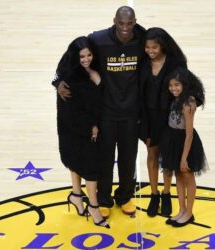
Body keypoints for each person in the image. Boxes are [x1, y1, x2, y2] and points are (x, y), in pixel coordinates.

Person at [87, 6, 145, 218]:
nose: (125, 29)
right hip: (106, 112)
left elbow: (167, 54)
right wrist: (59, 80)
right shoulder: (98, 39)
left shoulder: (144, 38)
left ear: (135, 22)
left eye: (129, 24)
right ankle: (104, 199)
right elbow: (78, 54)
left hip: (131, 112)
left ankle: (125, 197)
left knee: (128, 158)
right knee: (104, 158)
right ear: (114, 21)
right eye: (121, 23)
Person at [52, 36, 109, 228]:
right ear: (74, 57)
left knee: (78, 163)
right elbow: (71, 110)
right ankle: (94, 206)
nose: (86, 59)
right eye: (81, 56)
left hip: (92, 124)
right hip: (77, 128)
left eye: (89, 55)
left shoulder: (95, 68)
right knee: (90, 169)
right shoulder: (68, 79)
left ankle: (77, 195)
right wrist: (90, 126)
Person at [139, 27, 187, 217]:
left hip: (169, 118)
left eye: (154, 47)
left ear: (163, 46)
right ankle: (154, 194)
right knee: (152, 154)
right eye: (147, 47)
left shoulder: (176, 63)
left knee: (167, 158)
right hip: (147, 116)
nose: (150, 51)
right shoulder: (143, 62)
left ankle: (167, 194)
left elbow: (187, 88)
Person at [160, 67, 208, 227]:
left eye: (177, 85)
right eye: (171, 86)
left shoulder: (188, 103)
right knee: (178, 176)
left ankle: (189, 212)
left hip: (185, 143)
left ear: (184, 85)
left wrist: (184, 158)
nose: (173, 89)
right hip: (172, 139)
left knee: (187, 176)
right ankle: (181, 209)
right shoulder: (177, 98)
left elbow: (189, 134)